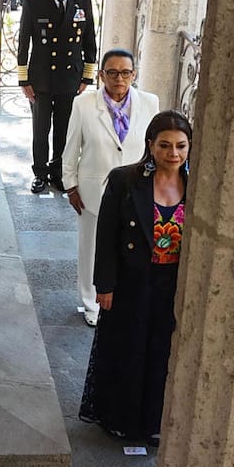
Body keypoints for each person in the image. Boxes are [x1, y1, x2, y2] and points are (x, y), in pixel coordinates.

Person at [78, 110, 192, 446]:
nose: (174, 153)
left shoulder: (197, 183)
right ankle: (119, 417)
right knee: (127, 348)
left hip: (172, 283)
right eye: (165, 145)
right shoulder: (125, 180)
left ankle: (153, 420)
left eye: (181, 146)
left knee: (161, 351)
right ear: (151, 146)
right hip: (132, 282)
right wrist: (105, 286)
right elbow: (107, 236)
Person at [62, 49, 159, 326]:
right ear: (102, 74)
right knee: (92, 246)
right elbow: (71, 148)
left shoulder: (150, 103)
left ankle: (124, 297)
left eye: (125, 72)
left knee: (131, 245)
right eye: (112, 72)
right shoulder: (84, 104)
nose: (119, 78)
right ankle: (91, 303)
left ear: (134, 74)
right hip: (94, 191)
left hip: (136, 189)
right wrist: (71, 186)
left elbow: (154, 146)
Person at [17, 0, 97, 194]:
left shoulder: (83, 1)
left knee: (64, 129)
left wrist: (86, 76)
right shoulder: (34, 2)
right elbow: (24, 43)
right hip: (41, 78)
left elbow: (89, 40)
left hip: (69, 78)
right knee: (41, 129)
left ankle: (58, 172)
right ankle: (40, 173)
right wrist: (24, 79)